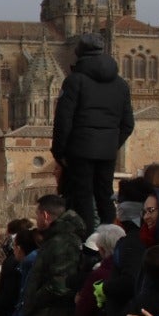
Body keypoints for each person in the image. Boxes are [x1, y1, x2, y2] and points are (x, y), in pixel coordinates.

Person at [52, 32, 134, 230]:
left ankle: (88, 239)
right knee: (105, 195)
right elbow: (128, 124)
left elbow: (63, 120)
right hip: (107, 152)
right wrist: (111, 144)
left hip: (79, 151)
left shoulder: (74, 81)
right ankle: (110, 237)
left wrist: (60, 152)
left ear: (79, 54)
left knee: (82, 197)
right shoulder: (121, 84)